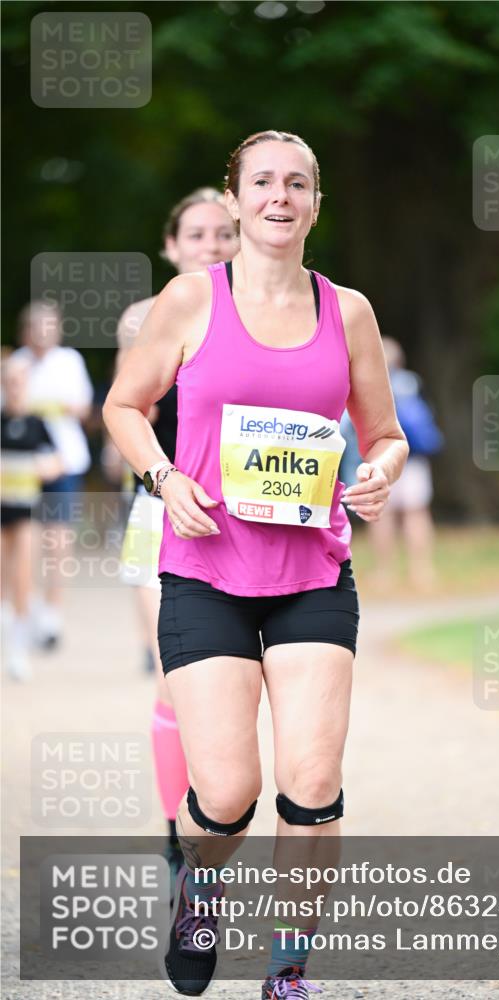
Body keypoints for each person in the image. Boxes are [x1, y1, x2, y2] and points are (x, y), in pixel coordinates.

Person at [103, 129, 408, 999]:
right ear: (233, 199)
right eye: (263, 182)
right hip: (205, 572)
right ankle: (201, 882)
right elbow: (127, 405)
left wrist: (378, 477)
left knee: (312, 782)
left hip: (313, 572)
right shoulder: (189, 300)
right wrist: (163, 476)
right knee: (228, 793)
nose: (281, 197)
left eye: (298, 184)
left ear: (317, 202)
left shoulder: (346, 309)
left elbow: (385, 437)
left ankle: (286, 971)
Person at [115, 187, 239, 889]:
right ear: (170, 245)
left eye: (224, 233)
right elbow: (129, 413)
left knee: (225, 684)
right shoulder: (149, 317)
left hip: (240, 514)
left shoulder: (267, 310)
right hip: (160, 510)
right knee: (173, 679)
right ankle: (176, 837)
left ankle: (215, 811)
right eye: (196, 235)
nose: (211, 246)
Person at [13, 300, 94, 647]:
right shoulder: (16, 364)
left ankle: (53, 612)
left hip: (64, 460)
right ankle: (21, 605)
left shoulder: (69, 361)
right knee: (20, 540)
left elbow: (81, 408)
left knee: (58, 538)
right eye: (37, 326)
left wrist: (46, 405)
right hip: (22, 466)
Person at [1, 353, 63, 680]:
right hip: (1, 510)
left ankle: (18, 650)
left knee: (23, 576)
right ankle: (8, 635)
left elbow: (58, 462)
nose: (14, 388)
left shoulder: (38, 424)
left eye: (19, 382)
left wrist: (44, 467)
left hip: (26, 510)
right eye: (9, 382)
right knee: (2, 581)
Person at [367, 337, 442, 592]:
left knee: (381, 514)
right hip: (413, 458)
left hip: (379, 457)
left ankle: (384, 571)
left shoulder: (368, 383)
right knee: (416, 513)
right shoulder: (411, 382)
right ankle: (422, 570)